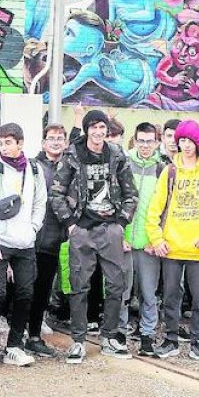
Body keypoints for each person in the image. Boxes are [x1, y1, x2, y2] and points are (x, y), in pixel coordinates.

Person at [50, 109, 139, 364]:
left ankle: (109, 337)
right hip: (82, 229)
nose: (98, 132)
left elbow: (130, 192)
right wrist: (70, 223)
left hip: (110, 228)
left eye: (103, 128)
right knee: (79, 285)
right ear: (87, 129)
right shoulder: (73, 155)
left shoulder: (116, 154)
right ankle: (78, 340)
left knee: (116, 284)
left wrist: (121, 222)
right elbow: (56, 192)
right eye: (94, 127)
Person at [146, 120, 199, 363]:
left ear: (198, 143)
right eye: (181, 140)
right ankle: (170, 340)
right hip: (172, 247)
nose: (185, 146)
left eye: (189, 141)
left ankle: (198, 343)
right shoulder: (169, 172)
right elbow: (154, 209)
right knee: (171, 297)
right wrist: (156, 238)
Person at [0, 123, 46, 368]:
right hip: (0, 241)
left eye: (8, 142)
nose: (4, 147)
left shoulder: (35, 169)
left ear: (20, 143)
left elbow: (40, 203)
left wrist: (33, 229)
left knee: (25, 293)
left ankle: (15, 346)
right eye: (1, 142)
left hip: (25, 243)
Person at [122, 122, 165, 356]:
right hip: (125, 241)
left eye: (150, 141)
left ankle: (147, 334)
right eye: (141, 141)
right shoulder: (124, 164)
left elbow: (166, 209)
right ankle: (118, 332)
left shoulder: (162, 169)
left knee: (149, 292)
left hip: (149, 244)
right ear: (135, 140)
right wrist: (119, 234)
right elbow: (117, 199)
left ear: (156, 142)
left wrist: (156, 240)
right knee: (122, 291)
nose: (145, 146)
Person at [26, 124, 68, 358]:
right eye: (51, 138)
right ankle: (16, 333)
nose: (55, 142)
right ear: (43, 142)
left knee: (43, 289)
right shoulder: (33, 166)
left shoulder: (69, 166)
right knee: (23, 288)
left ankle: (33, 335)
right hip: (30, 237)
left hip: (52, 238)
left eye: (59, 138)